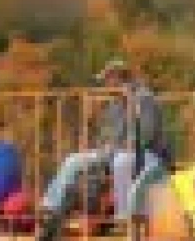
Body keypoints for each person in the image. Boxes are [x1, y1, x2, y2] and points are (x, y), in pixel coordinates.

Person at [39, 59, 170, 224]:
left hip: (150, 155)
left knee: (121, 162)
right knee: (73, 160)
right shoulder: (115, 104)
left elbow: (146, 135)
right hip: (115, 152)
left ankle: (125, 217)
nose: (105, 86)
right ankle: (51, 207)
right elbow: (105, 135)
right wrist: (102, 148)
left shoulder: (144, 99)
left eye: (107, 81)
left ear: (118, 79)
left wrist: (119, 148)